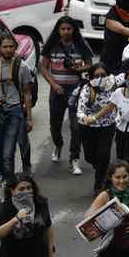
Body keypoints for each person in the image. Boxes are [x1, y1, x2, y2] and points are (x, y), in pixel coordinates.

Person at [40, 16, 93, 174]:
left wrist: (80, 69)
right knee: (55, 124)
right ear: (58, 30)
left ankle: (74, 159)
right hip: (57, 91)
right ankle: (58, 144)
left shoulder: (81, 45)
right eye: (63, 29)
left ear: (74, 30)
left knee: (76, 127)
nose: (65, 32)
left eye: (69, 29)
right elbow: (43, 68)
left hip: (75, 91)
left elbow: (90, 64)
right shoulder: (52, 46)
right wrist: (54, 85)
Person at [0, 32, 34, 182]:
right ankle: (3, 179)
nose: (8, 49)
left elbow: (27, 93)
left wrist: (29, 119)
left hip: (14, 112)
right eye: (5, 46)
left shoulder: (22, 67)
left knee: (8, 153)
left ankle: (9, 186)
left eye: (11, 46)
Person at [75, 63, 118, 194]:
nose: (100, 78)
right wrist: (85, 118)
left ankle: (100, 184)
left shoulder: (114, 87)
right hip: (88, 127)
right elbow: (80, 110)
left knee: (103, 155)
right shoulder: (87, 89)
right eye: (96, 76)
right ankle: (101, 168)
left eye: (103, 75)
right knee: (90, 157)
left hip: (107, 126)